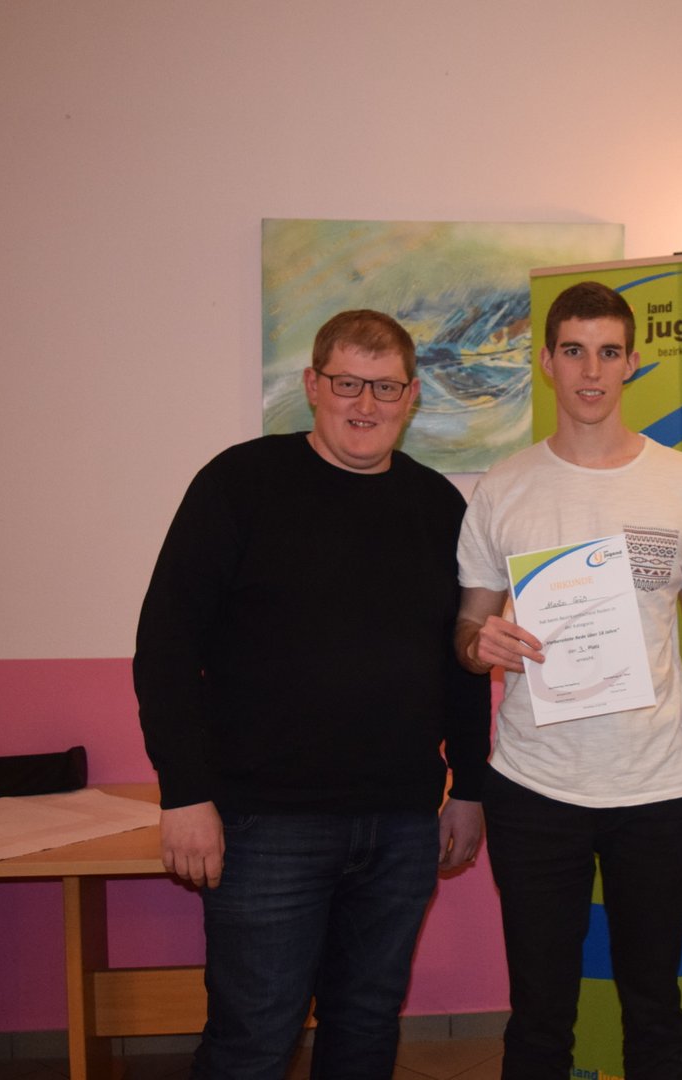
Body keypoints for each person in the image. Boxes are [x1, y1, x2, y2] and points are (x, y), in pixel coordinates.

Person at [133, 309, 491, 1080]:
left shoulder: (439, 508)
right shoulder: (239, 484)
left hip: (401, 823)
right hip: (265, 823)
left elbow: (460, 659)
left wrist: (469, 786)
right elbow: (165, 650)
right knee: (253, 1040)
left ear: (412, 396)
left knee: (366, 1027)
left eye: (385, 387)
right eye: (347, 383)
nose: (366, 404)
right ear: (312, 386)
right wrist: (185, 792)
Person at [454, 281, 682, 1080]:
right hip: (534, 787)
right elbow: (467, 633)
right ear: (546, 361)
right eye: (574, 351)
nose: (591, 370)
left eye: (609, 352)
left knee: (654, 1005)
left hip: (658, 787)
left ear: (632, 362)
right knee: (540, 1014)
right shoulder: (504, 486)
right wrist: (482, 644)